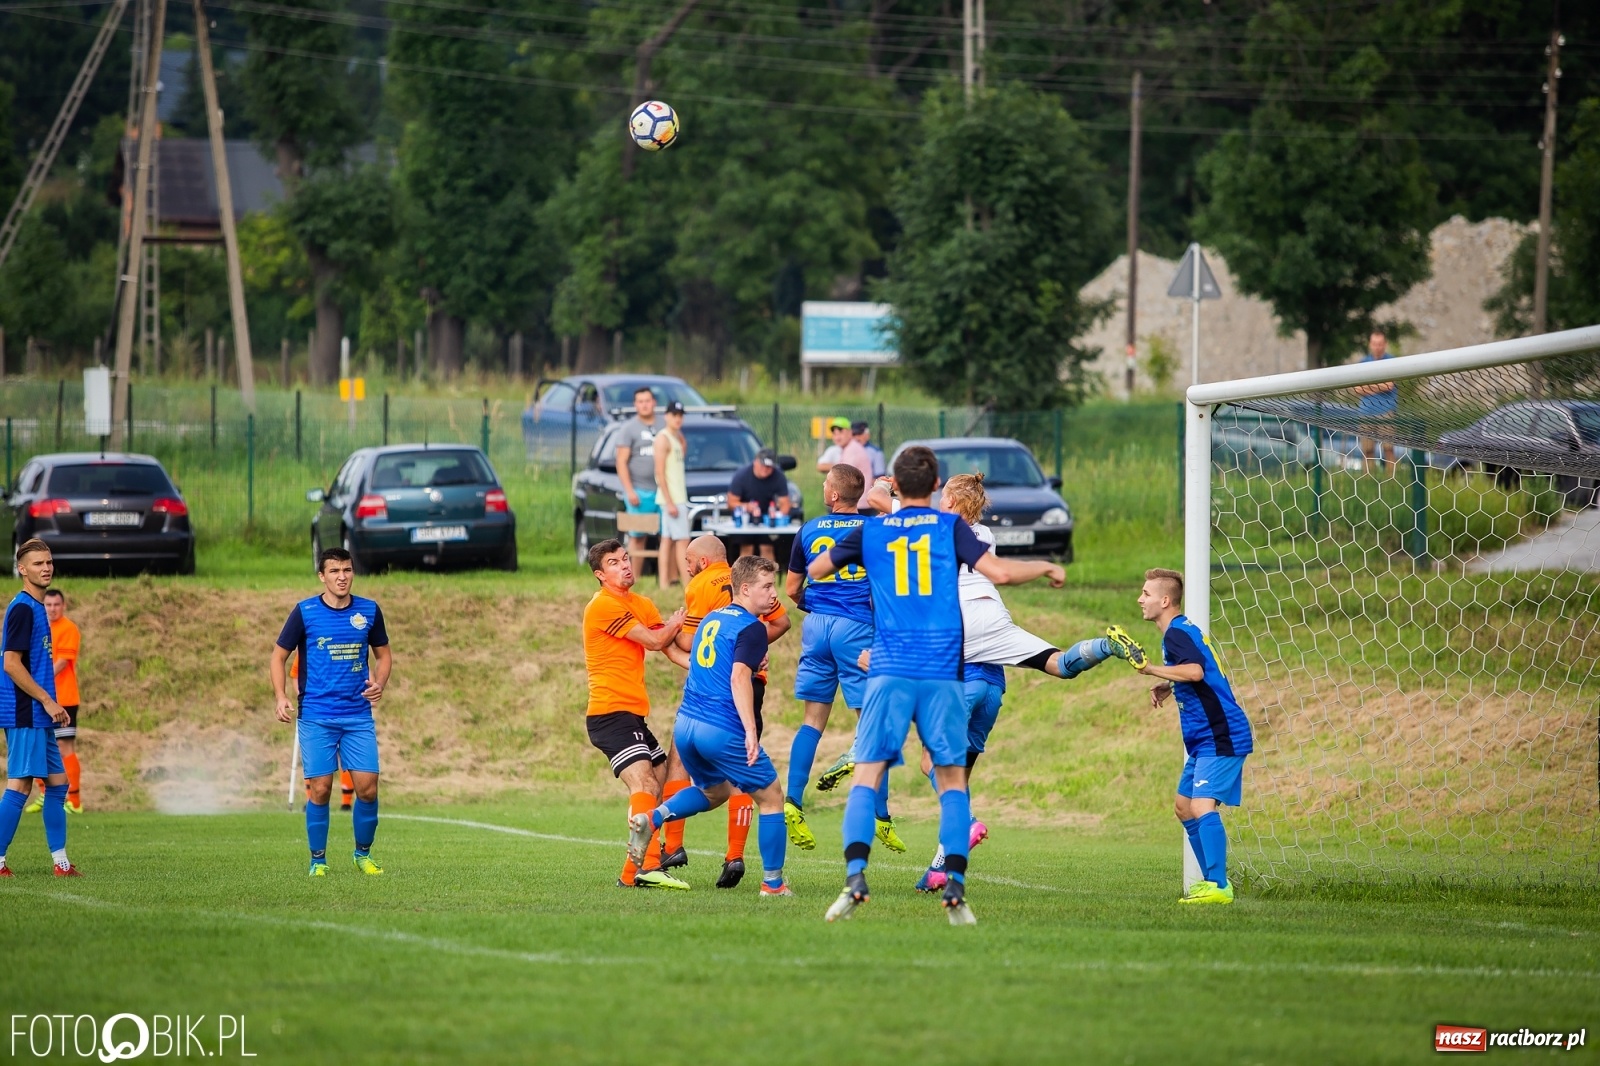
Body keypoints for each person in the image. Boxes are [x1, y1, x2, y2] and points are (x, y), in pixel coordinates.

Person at [808, 446, 1065, 925]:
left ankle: (855, 879)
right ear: (935, 486)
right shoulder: (950, 529)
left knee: (867, 773)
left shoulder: (874, 529)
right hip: (942, 670)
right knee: (951, 778)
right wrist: (1048, 567)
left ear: (896, 486)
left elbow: (818, 569)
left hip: (889, 667)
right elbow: (1003, 573)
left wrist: (823, 575)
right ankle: (955, 890)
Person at [628, 556, 794, 898]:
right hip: (720, 729)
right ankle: (773, 884)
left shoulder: (711, 620)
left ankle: (654, 818)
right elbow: (738, 677)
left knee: (712, 792)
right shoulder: (752, 627)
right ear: (745, 589)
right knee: (772, 796)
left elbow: (709, 664)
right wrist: (750, 730)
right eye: (766, 586)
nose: (773, 594)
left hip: (687, 726)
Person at [781, 464, 899, 855]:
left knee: (812, 721)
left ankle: (793, 802)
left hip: (816, 627)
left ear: (833, 495)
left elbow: (792, 588)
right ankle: (881, 816)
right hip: (856, 628)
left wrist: (815, 608)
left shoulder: (809, 529)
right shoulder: (874, 530)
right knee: (871, 722)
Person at [1133, 568, 1253, 905]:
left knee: (1201, 805)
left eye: (1146, 593)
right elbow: (1199, 673)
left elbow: (1197, 671)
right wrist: (1169, 684)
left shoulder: (1175, 634)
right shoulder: (1180, 631)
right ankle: (1210, 884)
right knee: (1184, 807)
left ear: (1165, 600)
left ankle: (1218, 886)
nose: (1140, 599)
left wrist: (1151, 669)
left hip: (1221, 733)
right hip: (1205, 739)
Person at [271, 547, 393, 877]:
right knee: (321, 789)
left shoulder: (369, 611)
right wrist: (281, 696)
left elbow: (383, 656)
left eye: (348, 570)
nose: (342, 577)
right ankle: (318, 861)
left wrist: (379, 683)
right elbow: (278, 656)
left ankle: (362, 855)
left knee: (368, 787)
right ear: (322, 576)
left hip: (357, 715)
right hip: (317, 716)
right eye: (335, 571)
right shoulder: (305, 612)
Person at [580, 538, 689, 889]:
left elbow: (671, 650)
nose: (624, 565)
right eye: (614, 562)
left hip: (632, 714)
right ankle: (649, 864)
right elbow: (656, 641)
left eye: (626, 558)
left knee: (658, 783)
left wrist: (709, 665)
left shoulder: (641, 603)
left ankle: (638, 870)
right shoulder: (602, 606)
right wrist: (676, 622)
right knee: (644, 784)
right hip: (609, 714)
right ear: (600, 574)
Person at [0, 539, 77, 877]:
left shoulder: (37, 606)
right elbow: (11, 664)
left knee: (58, 784)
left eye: (48, 562)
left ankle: (60, 862)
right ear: (22, 569)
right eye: (37, 564)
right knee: (20, 785)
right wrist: (47, 700)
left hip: (39, 713)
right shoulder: (21, 608)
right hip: (25, 712)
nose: (46, 568)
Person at [26, 588, 82, 814]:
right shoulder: (40, 628)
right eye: (48, 605)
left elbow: (61, 663)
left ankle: (75, 801)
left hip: (64, 698)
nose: (52, 609)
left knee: (64, 746)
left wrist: (36, 680)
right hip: (42, 698)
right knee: (37, 745)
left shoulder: (68, 628)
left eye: (56, 605)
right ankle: (44, 794)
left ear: (63, 605)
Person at [614, 385, 664, 562]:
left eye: (648, 401)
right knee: (638, 536)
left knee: (667, 537)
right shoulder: (629, 428)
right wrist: (629, 491)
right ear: (635, 404)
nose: (644, 405)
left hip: (663, 491)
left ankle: (670, 579)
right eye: (640, 402)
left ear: (654, 402)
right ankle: (634, 577)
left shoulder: (664, 424)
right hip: (639, 491)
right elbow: (621, 461)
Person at [726, 448, 791, 560]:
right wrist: (746, 507)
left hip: (767, 518)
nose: (766, 470)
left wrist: (778, 515)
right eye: (763, 466)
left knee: (767, 548)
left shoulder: (778, 476)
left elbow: (785, 503)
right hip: (745, 519)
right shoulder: (742, 476)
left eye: (769, 467)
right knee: (747, 549)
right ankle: (744, 577)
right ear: (755, 462)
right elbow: (731, 502)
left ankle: (768, 576)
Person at [653, 400, 691, 588]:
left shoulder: (675, 437)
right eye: (674, 415)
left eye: (680, 415)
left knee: (667, 541)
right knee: (683, 541)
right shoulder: (663, 439)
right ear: (666, 416)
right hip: (673, 498)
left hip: (675, 496)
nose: (678, 419)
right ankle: (687, 584)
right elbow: (659, 472)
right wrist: (669, 501)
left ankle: (664, 584)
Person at [1353, 329, 1398, 472]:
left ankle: (1391, 480)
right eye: (1374, 344)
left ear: (1385, 344)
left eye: (1380, 344)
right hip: (1366, 413)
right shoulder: (1363, 363)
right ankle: (1368, 480)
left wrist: (1368, 387)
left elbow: (1389, 385)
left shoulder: (1392, 362)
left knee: (1388, 449)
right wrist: (1379, 386)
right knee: (1367, 451)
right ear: (1370, 344)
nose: (1377, 347)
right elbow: (1358, 389)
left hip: (1386, 411)